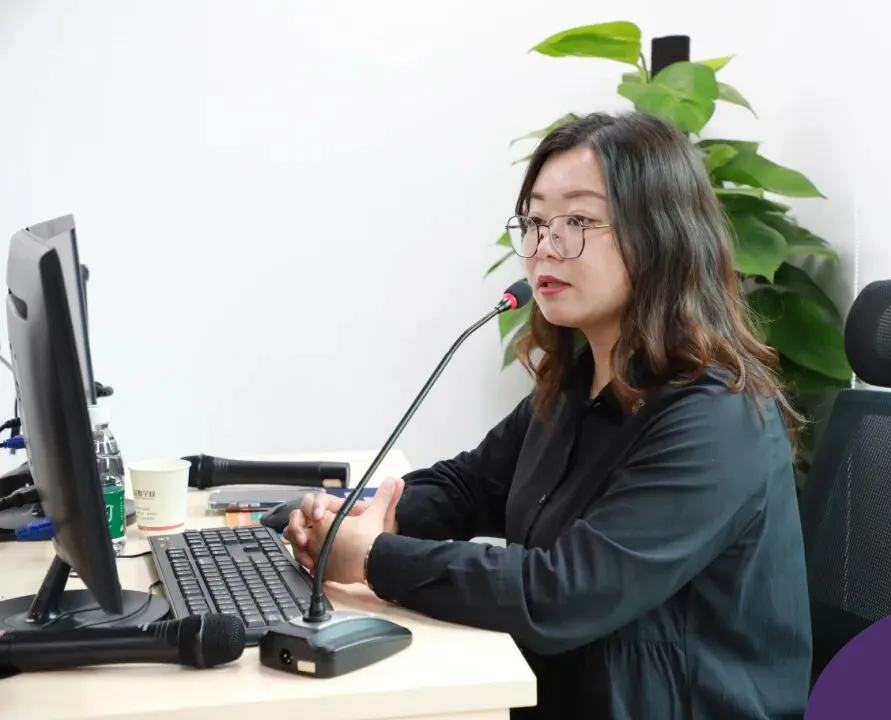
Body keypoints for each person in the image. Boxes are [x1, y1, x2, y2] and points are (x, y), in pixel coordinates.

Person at [286, 111, 813, 719]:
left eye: (578, 221)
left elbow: (562, 593)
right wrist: (352, 518)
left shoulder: (718, 418)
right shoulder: (576, 385)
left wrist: (372, 557)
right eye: (536, 222)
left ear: (660, 235)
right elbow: (470, 485)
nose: (544, 247)